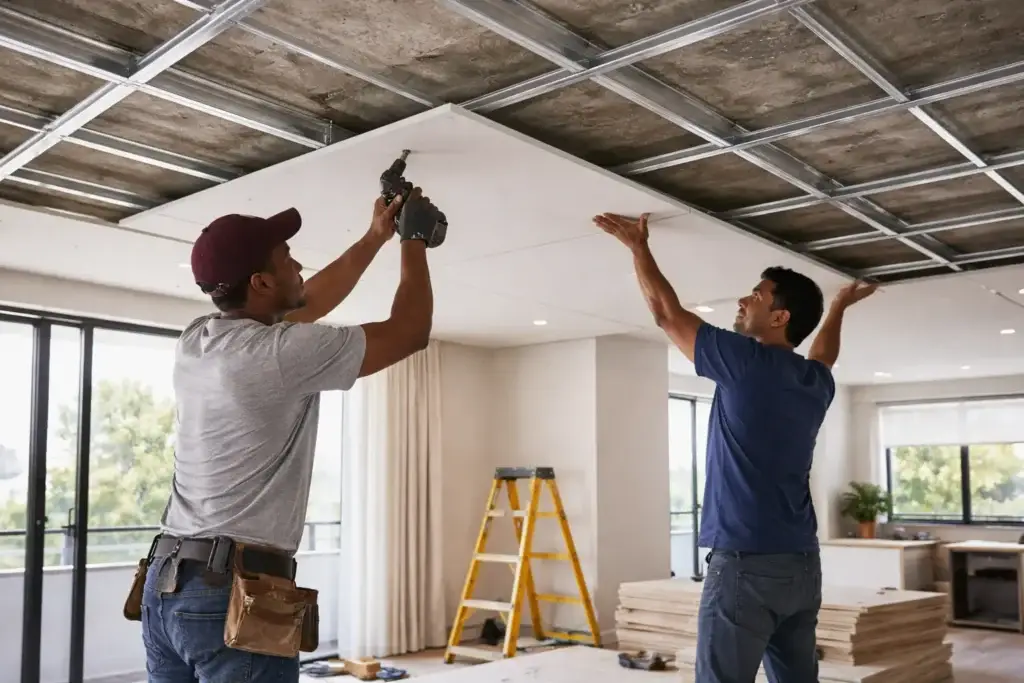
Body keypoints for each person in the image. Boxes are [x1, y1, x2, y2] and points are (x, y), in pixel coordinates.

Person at [137, 187, 444, 682]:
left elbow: (309, 300)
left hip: (166, 584)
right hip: (229, 596)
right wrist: (414, 239)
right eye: (286, 258)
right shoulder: (278, 354)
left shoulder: (198, 338)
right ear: (260, 282)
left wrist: (375, 237)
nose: (299, 264)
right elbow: (410, 331)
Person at [593, 212, 877, 683]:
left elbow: (667, 314)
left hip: (746, 564)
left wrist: (638, 246)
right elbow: (823, 353)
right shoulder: (815, 381)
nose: (744, 300)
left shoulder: (746, 361)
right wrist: (838, 307)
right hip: (801, 564)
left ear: (779, 318)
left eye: (757, 295)